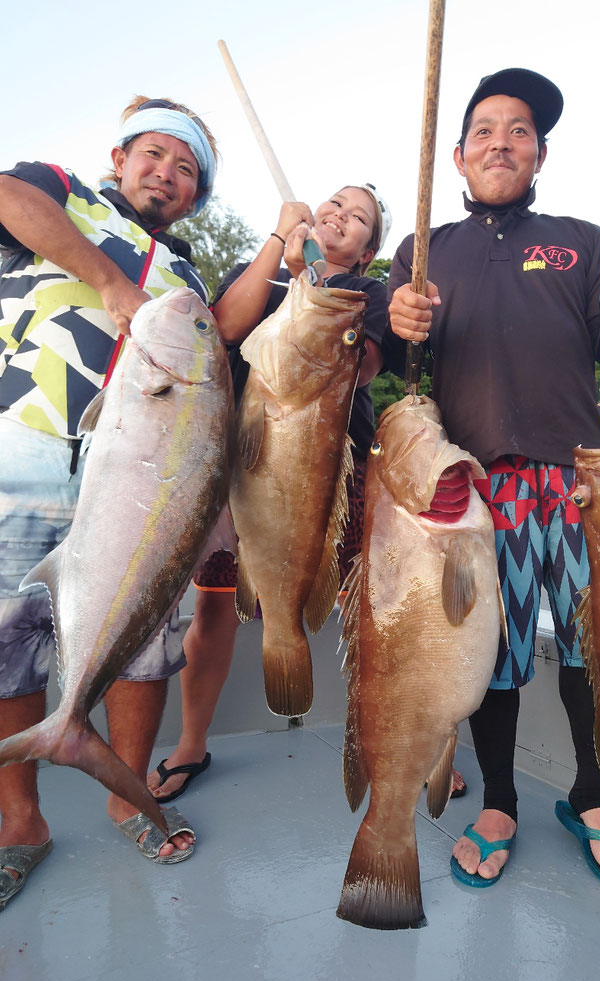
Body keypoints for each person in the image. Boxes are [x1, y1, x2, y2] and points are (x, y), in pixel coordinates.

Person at [384, 68, 600, 888]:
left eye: (520, 131)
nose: (501, 141)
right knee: (492, 653)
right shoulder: (423, 250)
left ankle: (592, 791)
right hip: (474, 490)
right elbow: (404, 358)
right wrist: (402, 319)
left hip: (578, 481)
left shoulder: (583, 240)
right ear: (459, 156)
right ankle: (498, 798)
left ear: (539, 155)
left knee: (590, 650)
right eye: (484, 131)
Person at [0, 95, 220, 907]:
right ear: (120, 159)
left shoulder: (189, 276)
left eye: (186, 168)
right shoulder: (59, 192)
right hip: (26, 445)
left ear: (195, 196)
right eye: (154, 154)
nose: (166, 173)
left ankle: (126, 789)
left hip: (139, 478)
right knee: (6, 636)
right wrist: (109, 282)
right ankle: (20, 822)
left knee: (149, 639)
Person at [147, 183, 395, 801]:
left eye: (358, 217)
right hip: (242, 462)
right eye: (334, 203)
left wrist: (311, 279)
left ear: (367, 251)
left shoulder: (367, 294)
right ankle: (191, 744)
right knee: (213, 606)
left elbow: (361, 363)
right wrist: (281, 249)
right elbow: (225, 329)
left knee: (370, 604)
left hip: (333, 468)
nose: (341, 215)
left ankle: (395, 742)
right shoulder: (262, 269)